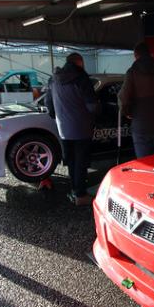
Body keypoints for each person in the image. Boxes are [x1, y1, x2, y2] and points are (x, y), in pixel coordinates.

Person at [44, 52, 99, 206]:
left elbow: (49, 105)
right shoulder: (81, 78)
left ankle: (75, 190)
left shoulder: (53, 79)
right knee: (81, 162)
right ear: (79, 62)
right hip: (82, 129)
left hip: (63, 130)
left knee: (71, 161)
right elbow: (92, 106)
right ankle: (81, 196)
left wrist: (60, 118)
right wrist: (98, 112)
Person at [118, 42, 154, 158]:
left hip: (141, 125)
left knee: (145, 163)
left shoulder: (132, 73)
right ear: (149, 54)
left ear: (136, 55)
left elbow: (123, 99)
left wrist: (128, 113)